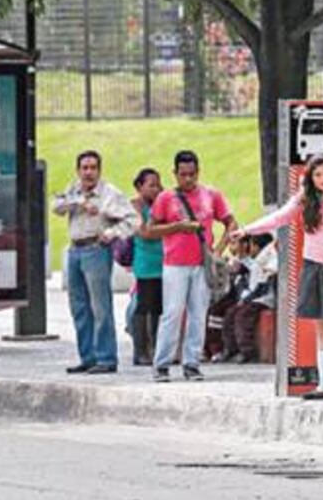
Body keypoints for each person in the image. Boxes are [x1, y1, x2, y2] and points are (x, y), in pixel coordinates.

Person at [233, 154, 323, 401]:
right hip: (313, 267)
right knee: (322, 326)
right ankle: (322, 385)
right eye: (317, 175)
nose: (322, 180)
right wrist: (247, 230)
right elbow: (279, 218)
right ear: (310, 177)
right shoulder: (304, 201)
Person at [148, 150, 238, 382]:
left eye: (192, 174)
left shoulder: (211, 195)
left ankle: (192, 362)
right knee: (172, 313)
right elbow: (149, 230)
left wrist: (218, 250)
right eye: (183, 174)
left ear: (198, 172)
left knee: (199, 314)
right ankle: (162, 363)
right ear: (175, 174)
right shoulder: (166, 198)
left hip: (202, 264)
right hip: (175, 264)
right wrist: (177, 227)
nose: (188, 179)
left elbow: (230, 221)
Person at [53, 150, 138, 374]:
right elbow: (56, 206)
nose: (88, 172)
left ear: (99, 170)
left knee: (100, 307)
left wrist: (111, 233)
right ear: (78, 170)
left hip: (96, 249)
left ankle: (106, 358)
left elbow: (133, 220)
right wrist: (79, 203)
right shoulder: (74, 189)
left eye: (93, 168)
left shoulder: (109, 193)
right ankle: (87, 356)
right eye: (84, 168)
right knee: (78, 307)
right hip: (75, 249)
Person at [221, 233, 277, 363]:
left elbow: (261, 288)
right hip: (252, 297)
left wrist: (246, 300)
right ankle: (231, 349)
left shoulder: (269, 260)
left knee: (243, 315)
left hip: (263, 299)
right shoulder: (255, 261)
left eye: (251, 245)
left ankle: (248, 352)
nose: (249, 248)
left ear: (257, 247)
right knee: (230, 313)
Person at [129, 167, 164, 366]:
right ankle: (140, 350)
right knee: (143, 306)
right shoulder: (135, 206)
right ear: (139, 186)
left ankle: (156, 348)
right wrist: (168, 229)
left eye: (158, 184)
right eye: (151, 185)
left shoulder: (161, 203)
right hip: (145, 263)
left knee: (159, 308)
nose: (156, 189)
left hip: (163, 261)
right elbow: (144, 232)